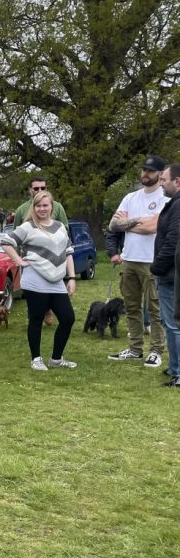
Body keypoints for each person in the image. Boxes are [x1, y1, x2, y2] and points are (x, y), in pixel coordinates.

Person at [1, 190, 77, 371]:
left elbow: (68, 253)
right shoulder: (28, 227)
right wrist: (19, 261)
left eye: (45, 205)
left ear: (52, 206)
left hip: (57, 280)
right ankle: (36, 359)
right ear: (33, 207)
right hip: (35, 279)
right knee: (36, 319)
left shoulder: (59, 226)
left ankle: (56, 359)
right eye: (38, 205)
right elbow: (6, 241)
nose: (42, 209)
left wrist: (72, 277)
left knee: (68, 318)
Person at [107, 155, 167, 366]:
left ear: (161, 173)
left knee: (155, 308)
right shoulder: (130, 197)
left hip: (152, 260)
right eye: (144, 170)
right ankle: (135, 348)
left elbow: (154, 227)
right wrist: (139, 222)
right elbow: (114, 225)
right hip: (129, 259)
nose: (145, 174)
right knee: (131, 307)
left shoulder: (165, 198)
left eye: (150, 171)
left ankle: (157, 350)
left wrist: (128, 223)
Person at [149, 163, 180, 386]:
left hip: (171, 275)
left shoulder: (178, 207)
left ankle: (179, 372)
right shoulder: (174, 204)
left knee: (174, 324)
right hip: (169, 274)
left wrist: (157, 267)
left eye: (164, 180)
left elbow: (173, 241)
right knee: (170, 323)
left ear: (177, 181)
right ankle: (175, 367)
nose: (161, 184)